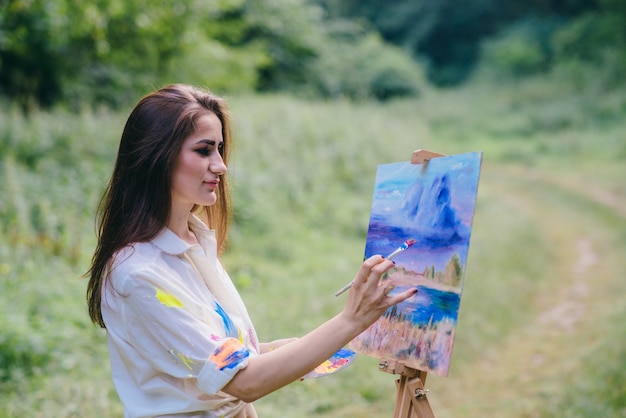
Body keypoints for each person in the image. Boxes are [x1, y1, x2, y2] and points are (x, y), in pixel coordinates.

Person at [86, 84, 417, 418]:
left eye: (219, 149)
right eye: (203, 151)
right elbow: (242, 381)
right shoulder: (138, 273)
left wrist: (281, 352)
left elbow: (215, 357)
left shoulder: (194, 242)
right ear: (156, 157)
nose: (220, 165)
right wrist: (351, 319)